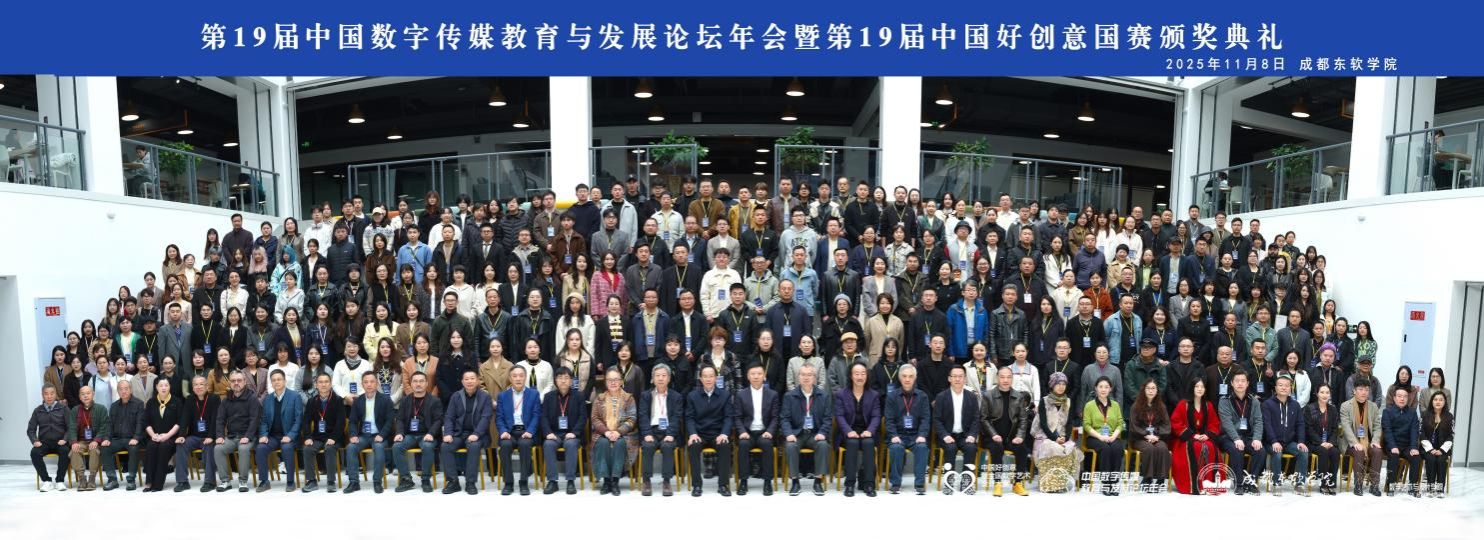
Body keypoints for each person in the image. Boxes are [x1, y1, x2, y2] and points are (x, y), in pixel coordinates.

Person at [780, 363, 830, 496]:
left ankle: (818, 481)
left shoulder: (823, 396)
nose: (806, 377)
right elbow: (784, 419)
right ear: (798, 377)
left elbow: (828, 418)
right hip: (797, 433)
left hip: (815, 433)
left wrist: (822, 433)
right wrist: (789, 434)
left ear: (814, 377)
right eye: (803, 374)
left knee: (823, 445)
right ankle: (795, 482)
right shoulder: (789, 396)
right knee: (790, 446)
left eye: (809, 375)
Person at [685, 364, 734, 497]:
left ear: (716, 378)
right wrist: (693, 434)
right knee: (694, 446)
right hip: (699, 434)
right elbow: (689, 417)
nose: (708, 379)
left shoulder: (725, 395)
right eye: (705, 376)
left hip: (717, 433)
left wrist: (724, 433)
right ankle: (696, 485)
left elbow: (728, 417)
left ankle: (723, 485)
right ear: (700, 378)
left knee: (724, 445)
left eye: (711, 376)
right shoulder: (692, 396)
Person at [440, 369, 492, 495]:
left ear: (478, 381)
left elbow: (486, 418)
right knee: (445, 446)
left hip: (479, 435)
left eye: (472, 378)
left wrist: (476, 434)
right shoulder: (456, 396)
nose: (469, 381)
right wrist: (448, 433)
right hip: (459, 434)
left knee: (473, 446)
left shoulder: (485, 397)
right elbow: (449, 417)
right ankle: (453, 482)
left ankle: (470, 482)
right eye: (466, 379)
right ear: (462, 382)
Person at [392, 372, 443, 493]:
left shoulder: (435, 401)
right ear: (411, 384)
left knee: (427, 446)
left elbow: (439, 420)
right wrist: (399, 433)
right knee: (397, 447)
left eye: (421, 381)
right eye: (415, 381)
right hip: (410, 435)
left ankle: (425, 479)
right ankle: (406, 479)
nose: (418, 384)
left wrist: (431, 433)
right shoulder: (405, 400)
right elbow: (400, 419)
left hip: (427, 435)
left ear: (426, 383)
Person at [494, 363, 541, 495]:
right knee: (505, 445)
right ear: (510, 378)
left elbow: (536, 415)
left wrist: (530, 431)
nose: (518, 378)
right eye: (514, 376)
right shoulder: (503, 396)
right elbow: (499, 417)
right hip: (509, 432)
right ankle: (508, 483)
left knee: (525, 445)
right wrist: (503, 431)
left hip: (526, 431)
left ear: (525, 377)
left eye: (521, 375)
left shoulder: (533, 394)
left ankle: (523, 482)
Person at [884, 363, 931, 495]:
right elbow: (889, 419)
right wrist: (893, 435)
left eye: (910, 376)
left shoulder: (922, 396)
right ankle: (896, 483)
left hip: (916, 435)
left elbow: (925, 418)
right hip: (898, 434)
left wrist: (922, 434)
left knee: (922, 447)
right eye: (904, 376)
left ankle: (919, 484)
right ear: (900, 378)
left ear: (915, 378)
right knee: (896, 448)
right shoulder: (892, 396)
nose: (907, 379)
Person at [344, 372, 394, 494]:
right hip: (363, 436)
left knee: (379, 447)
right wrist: (353, 435)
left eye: (372, 381)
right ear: (362, 384)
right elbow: (353, 421)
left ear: (376, 383)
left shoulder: (386, 400)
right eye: (366, 382)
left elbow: (390, 421)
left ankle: (377, 482)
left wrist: (382, 435)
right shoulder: (358, 401)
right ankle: (354, 482)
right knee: (351, 447)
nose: (369, 384)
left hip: (379, 435)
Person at [638, 363, 684, 496]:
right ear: (652, 379)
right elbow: (642, 416)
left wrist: (671, 434)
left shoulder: (676, 396)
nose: (660, 378)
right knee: (647, 446)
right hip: (651, 431)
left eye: (664, 375)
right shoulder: (646, 395)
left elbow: (677, 417)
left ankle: (667, 481)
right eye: (657, 375)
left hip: (669, 431)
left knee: (667, 446)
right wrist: (647, 433)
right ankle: (646, 481)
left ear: (669, 378)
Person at [591, 367, 637, 496]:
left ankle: (615, 481)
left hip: (623, 434)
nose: (613, 382)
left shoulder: (629, 398)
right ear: (605, 382)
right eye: (610, 380)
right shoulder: (599, 398)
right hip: (603, 433)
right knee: (602, 443)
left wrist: (618, 432)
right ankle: (606, 481)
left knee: (620, 443)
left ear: (621, 381)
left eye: (616, 379)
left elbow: (632, 418)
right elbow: (595, 418)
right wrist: (606, 432)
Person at [1218, 371, 1266, 495]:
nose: (1240, 383)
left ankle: (1251, 482)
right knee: (1237, 449)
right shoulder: (1224, 400)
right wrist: (1236, 438)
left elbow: (1258, 421)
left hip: (1248, 436)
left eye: (1243, 381)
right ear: (1232, 383)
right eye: (1237, 381)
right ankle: (1238, 483)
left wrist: (1257, 438)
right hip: (1229, 437)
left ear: (1247, 383)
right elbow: (1226, 422)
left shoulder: (1254, 401)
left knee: (1260, 451)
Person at [1261, 375, 1310, 496]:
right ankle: (1276, 484)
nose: (1284, 388)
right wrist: (1273, 441)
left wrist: (1301, 441)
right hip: (1271, 441)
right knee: (1277, 453)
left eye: (1287, 386)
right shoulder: (1267, 404)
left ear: (1291, 389)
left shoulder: (1295, 405)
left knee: (1303, 452)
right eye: (1281, 385)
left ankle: (1299, 484)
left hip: (1289, 442)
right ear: (1275, 388)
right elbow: (1267, 425)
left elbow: (1300, 424)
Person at [735, 363, 779, 496]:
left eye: (759, 374)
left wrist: (769, 431)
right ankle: (743, 481)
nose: (756, 376)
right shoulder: (741, 394)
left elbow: (775, 417)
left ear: (764, 376)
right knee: (743, 445)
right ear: (748, 376)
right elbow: (737, 417)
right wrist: (742, 431)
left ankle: (767, 481)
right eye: (753, 374)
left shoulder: (772, 394)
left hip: (764, 432)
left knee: (767, 444)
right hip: (747, 432)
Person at [541, 367, 587, 495]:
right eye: (560, 378)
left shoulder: (579, 396)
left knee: (571, 444)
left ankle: (570, 481)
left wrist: (574, 432)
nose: (563, 381)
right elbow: (543, 417)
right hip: (554, 434)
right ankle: (552, 481)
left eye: (566, 378)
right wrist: (548, 433)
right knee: (548, 444)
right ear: (555, 380)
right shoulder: (548, 397)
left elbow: (583, 417)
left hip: (572, 434)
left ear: (571, 381)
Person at [255, 369, 302, 492]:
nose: (276, 382)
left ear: (285, 381)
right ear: (271, 383)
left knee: (287, 448)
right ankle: (264, 481)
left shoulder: (295, 396)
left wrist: (290, 436)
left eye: (279, 379)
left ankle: (290, 482)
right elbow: (264, 420)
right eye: (274, 380)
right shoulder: (268, 399)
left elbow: (298, 420)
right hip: (273, 437)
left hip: (289, 436)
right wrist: (263, 435)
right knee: (260, 448)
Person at [172, 376, 218, 492]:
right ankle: (182, 482)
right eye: (195, 385)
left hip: (209, 436)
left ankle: (210, 482)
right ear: (192, 388)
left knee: (208, 447)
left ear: (207, 386)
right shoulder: (190, 399)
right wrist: (181, 435)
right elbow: (184, 418)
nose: (198, 387)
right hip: (194, 436)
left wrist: (211, 436)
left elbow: (216, 420)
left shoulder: (214, 398)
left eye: (201, 384)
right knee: (181, 445)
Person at [299, 373, 344, 492]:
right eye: (320, 382)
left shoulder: (338, 400)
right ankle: (311, 481)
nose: (323, 384)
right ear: (316, 385)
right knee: (307, 449)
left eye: (326, 382)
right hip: (318, 437)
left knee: (329, 448)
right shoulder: (312, 401)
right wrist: (307, 437)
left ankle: (331, 481)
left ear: (330, 384)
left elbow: (341, 423)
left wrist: (333, 437)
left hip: (334, 437)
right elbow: (306, 422)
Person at [1082, 376, 1125, 496]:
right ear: (1096, 388)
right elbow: (1086, 425)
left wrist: (1114, 436)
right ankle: (1106, 484)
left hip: (1112, 436)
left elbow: (1120, 423)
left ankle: (1113, 483)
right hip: (1094, 437)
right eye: (1100, 386)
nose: (1103, 389)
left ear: (1110, 389)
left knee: (1117, 448)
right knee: (1105, 449)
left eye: (1106, 387)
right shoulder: (1089, 405)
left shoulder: (1115, 405)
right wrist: (1100, 437)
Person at [1341, 380, 1384, 496]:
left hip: (1368, 441)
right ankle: (1358, 485)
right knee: (1359, 451)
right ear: (1354, 391)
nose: (1364, 392)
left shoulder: (1373, 406)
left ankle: (1374, 485)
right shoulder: (1345, 406)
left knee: (1378, 451)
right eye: (1360, 389)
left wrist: (1375, 441)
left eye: (1366, 390)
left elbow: (1377, 427)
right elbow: (1346, 427)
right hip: (1351, 442)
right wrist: (1355, 443)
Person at [1129, 378, 1172, 492]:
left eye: (1153, 388)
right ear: (1144, 390)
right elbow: (1134, 425)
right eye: (1148, 388)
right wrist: (1146, 435)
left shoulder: (1161, 406)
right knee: (1149, 448)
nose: (1150, 391)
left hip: (1157, 437)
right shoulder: (1136, 406)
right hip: (1140, 438)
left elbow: (1166, 425)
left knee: (1162, 448)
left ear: (1157, 391)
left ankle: (1161, 479)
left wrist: (1157, 436)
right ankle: (1147, 478)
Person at [100, 380, 144, 491]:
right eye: (120, 389)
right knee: (105, 448)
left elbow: (140, 423)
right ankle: (112, 480)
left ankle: (131, 480)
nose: (123, 391)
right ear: (118, 391)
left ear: (131, 390)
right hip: (118, 439)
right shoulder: (114, 406)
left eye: (126, 389)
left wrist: (136, 437)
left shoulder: (139, 404)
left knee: (133, 448)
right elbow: (109, 424)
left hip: (132, 438)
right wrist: (106, 438)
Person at [65, 385, 110, 491]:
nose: (86, 396)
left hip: (95, 440)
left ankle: (92, 478)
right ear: (79, 397)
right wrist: (74, 442)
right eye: (83, 394)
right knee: (74, 450)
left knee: (94, 450)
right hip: (81, 441)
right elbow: (71, 427)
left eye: (88, 393)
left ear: (93, 394)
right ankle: (82, 478)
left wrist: (96, 440)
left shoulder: (101, 408)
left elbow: (104, 426)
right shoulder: (75, 410)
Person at [141, 377, 182, 492]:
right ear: (156, 387)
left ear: (170, 387)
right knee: (151, 446)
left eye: (166, 385)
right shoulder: (151, 402)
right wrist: (153, 435)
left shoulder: (177, 401)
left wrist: (167, 436)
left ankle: (158, 484)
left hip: (171, 437)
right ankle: (149, 481)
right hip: (155, 436)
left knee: (163, 447)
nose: (164, 388)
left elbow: (179, 423)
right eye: (161, 385)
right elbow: (146, 422)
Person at [1381, 386, 1422, 497]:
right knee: (1394, 456)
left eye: (1405, 396)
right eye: (1399, 396)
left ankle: (1413, 489)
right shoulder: (1387, 412)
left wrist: (1413, 447)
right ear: (1394, 398)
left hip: (1407, 445)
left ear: (1408, 398)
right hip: (1392, 444)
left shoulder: (1412, 413)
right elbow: (1387, 431)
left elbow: (1414, 431)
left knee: (1416, 457)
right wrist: (1393, 446)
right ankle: (1390, 487)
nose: (1402, 399)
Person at [1305, 384, 1343, 496]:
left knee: (1335, 452)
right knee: (1323, 451)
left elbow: (1335, 429)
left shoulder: (1333, 409)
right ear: (1317, 394)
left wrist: (1330, 442)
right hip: (1314, 443)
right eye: (1322, 392)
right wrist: (1321, 443)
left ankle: (1331, 483)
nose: (1325, 395)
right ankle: (1323, 483)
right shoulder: (1309, 408)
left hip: (1329, 442)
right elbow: (1309, 429)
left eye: (1327, 392)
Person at [1419, 390, 1453, 497]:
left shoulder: (1449, 416)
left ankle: (1440, 490)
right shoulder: (1425, 415)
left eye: (1441, 400)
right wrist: (1430, 449)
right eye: (1435, 399)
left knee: (1441, 460)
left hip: (1443, 448)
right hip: (1427, 448)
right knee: (1431, 459)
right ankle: (1430, 489)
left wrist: (1442, 450)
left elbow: (1451, 435)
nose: (1438, 402)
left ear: (1445, 402)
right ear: (1432, 401)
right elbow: (1421, 433)